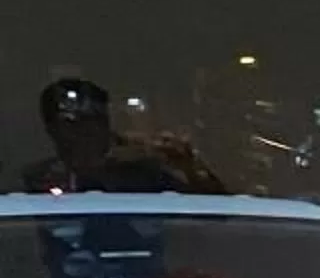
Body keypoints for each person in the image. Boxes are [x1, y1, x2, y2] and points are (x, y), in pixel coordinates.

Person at [19, 76, 223, 194]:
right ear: (51, 129)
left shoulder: (145, 177)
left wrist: (188, 166)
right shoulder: (33, 182)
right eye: (71, 124)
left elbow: (219, 216)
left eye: (95, 121)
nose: (85, 132)